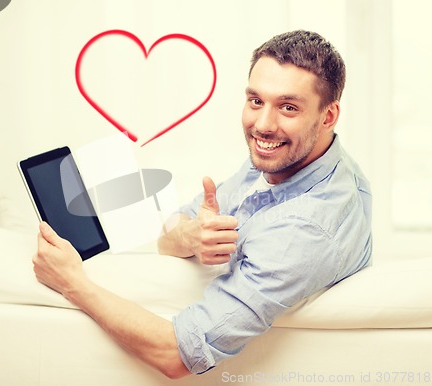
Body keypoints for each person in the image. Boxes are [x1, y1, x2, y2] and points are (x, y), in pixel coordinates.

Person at [33, 30, 372, 379]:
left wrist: (72, 282)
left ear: (329, 116)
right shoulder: (288, 156)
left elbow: (176, 355)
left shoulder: (305, 230)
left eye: (288, 107)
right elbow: (167, 235)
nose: (263, 125)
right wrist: (191, 237)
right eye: (256, 101)